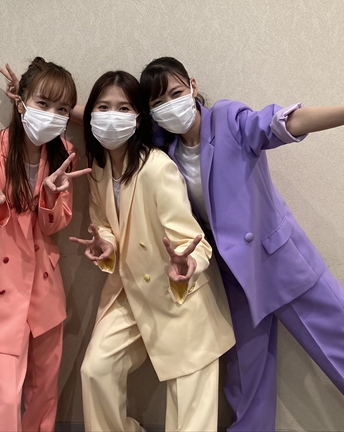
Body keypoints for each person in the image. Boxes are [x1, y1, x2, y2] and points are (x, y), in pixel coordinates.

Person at [139, 56, 344, 431]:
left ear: (192, 87)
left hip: (282, 263)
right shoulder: (165, 148)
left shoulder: (227, 119)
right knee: (247, 384)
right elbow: (112, 118)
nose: (170, 105)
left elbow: (281, 122)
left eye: (176, 93)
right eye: (159, 102)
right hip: (235, 278)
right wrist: (62, 109)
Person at [70, 70, 234, 432]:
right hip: (131, 293)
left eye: (123, 108)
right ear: (91, 113)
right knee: (96, 369)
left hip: (179, 297)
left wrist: (187, 263)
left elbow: (192, 239)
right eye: (103, 107)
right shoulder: (98, 169)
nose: (112, 116)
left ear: (138, 118)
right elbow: (106, 225)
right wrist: (105, 244)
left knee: (190, 420)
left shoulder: (157, 168)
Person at [0, 57, 91, 432]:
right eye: (43, 104)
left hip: (44, 290)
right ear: (20, 102)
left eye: (62, 109)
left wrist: (51, 197)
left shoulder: (63, 152)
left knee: (44, 392)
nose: (52, 115)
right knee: (5, 395)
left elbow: (54, 225)